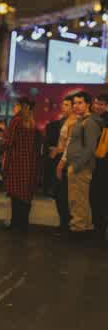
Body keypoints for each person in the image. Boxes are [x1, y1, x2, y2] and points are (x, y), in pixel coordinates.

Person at [57, 91, 102, 237]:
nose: (76, 106)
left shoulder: (90, 122)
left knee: (77, 200)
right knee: (80, 199)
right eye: (74, 103)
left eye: (80, 103)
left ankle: (78, 228)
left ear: (88, 104)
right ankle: (84, 227)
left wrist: (75, 167)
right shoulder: (81, 121)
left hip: (81, 168)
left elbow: (90, 149)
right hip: (78, 166)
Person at [3, 97, 41, 232]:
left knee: (15, 194)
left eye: (17, 105)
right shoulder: (32, 122)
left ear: (21, 106)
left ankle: (15, 223)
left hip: (16, 162)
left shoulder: (16, 121)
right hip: (30, 162)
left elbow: (8, 142)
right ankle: (24, 223)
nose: (15, 107)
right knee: (26, 194)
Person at [45, 96, 77, 233]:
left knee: (67, 194)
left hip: (70, 162)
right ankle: (63, 222)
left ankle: (69, 223)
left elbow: (72, 145)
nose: (64, 107)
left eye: (67, 105)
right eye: (63, 104)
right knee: (58, 194)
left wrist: (59, 150)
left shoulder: (77, 122)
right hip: (57, 160)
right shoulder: (58, 123)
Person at [90, 94, 108, 239]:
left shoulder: (103, 121)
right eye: (96, 103)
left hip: (102, 164)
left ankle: (99, 229)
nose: (97, 106)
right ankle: (99, 228)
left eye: (101, 104)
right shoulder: (96, 119)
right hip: (98, 164)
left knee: (99, 197)